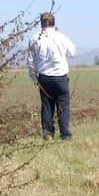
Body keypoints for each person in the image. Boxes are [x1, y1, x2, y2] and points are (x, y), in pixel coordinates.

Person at [28, 12, 77, 140]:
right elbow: (73, 53)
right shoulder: (61, 37)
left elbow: (30, 62)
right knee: (63, 107)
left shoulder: (34, 38)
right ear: (54, 23)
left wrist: (34, 78)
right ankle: (65, 135)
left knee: (46, 106)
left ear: (41, 23)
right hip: (60, 77)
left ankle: (48, 134)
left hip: (44, 77)